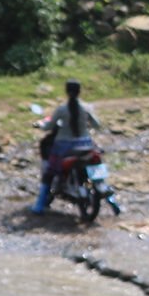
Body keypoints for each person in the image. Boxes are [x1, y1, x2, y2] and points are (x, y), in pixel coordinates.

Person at [31, 78, 105, 215]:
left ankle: (39, 205)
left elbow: (49, 126)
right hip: (86, 145)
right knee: (98, 167)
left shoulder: (62, 109)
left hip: (64, 147)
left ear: (66, 91)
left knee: (49, 172)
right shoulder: (87, 107)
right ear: (80, 91)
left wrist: (41, 125)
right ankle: (113, 203)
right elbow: (97, 125)